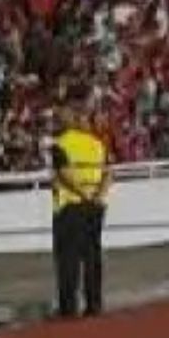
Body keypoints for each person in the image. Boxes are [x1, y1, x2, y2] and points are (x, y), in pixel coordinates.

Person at [48, 118, 111, 318]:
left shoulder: (62, 143)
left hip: (69, 205)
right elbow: (108, 173)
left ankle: (68, 307)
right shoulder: (97, 144)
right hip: (95, 207)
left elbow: (64, 173)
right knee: (92, 257)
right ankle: (94, 304)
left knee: (68, 260)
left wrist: (82, 193)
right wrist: (98, 196)